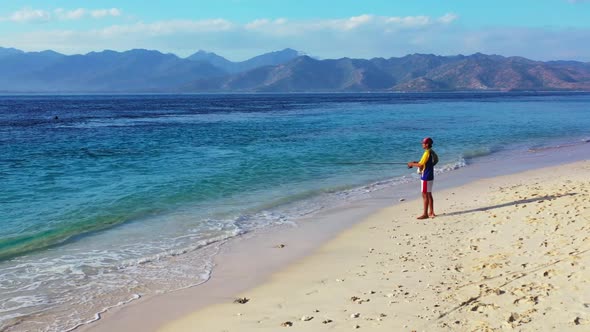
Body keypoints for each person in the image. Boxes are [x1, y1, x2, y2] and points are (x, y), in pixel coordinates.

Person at [407, 137, 437, 219]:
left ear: (427, 144)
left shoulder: (426, 153)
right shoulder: (431, 152)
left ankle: (425, 214)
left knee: (424, 195)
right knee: (429, 194)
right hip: (430, 175)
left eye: (423, 143)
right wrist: (429, 166)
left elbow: (420, 165)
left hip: (425, 177)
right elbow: (436, 160)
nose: (422, 144)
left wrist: (411, 164)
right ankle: (431, 212)